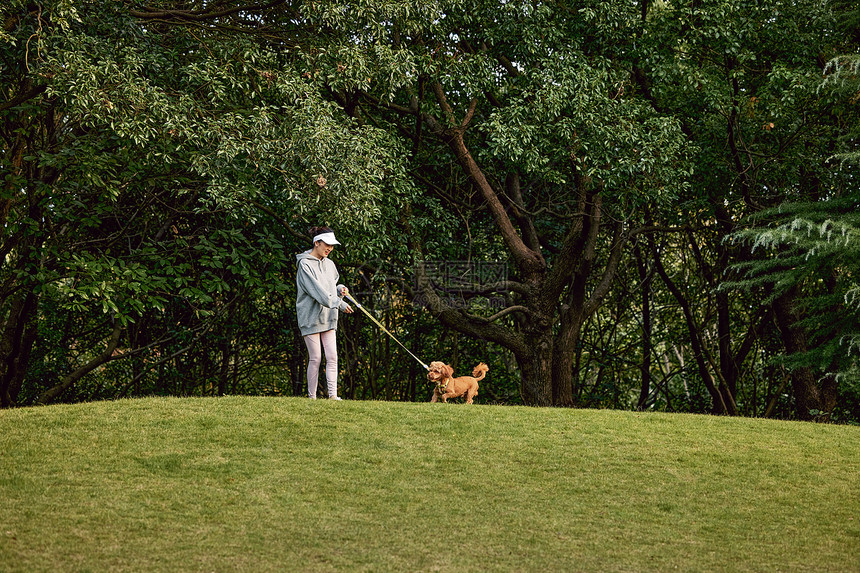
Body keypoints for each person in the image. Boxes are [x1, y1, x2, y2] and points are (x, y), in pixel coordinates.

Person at [295, 226, 353, 399]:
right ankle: (312, 397)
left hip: (328, 316)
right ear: (316, 242)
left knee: (332, 357)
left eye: (332, 246)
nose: (330, 248)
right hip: (310, 317)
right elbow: (318, 292)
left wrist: (341, 289)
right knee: (316, 358)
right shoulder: (304, 265)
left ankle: (333, 396)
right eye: (326, 244)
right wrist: (340, 304)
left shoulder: (330, 264)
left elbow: (331, 286)